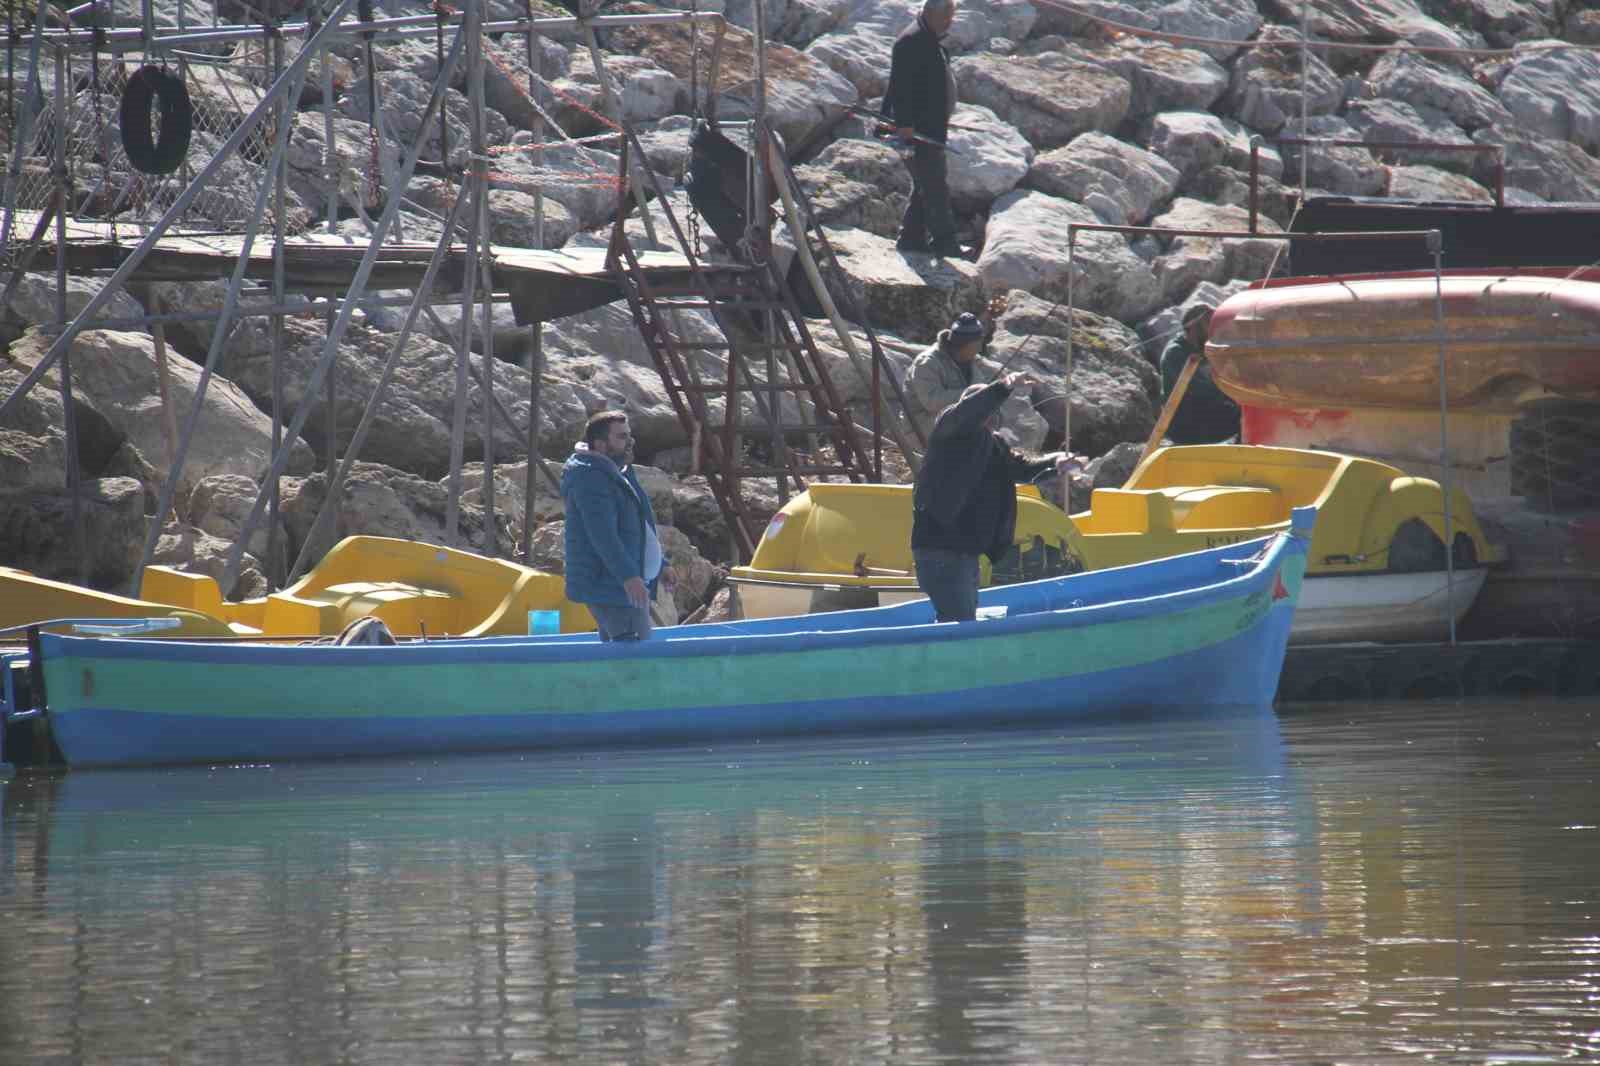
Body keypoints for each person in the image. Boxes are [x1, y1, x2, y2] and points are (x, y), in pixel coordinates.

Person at [912, 375, 1077, 622]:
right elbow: (969, 411)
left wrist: (1057, 464)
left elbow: (1022, 468)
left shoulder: (993, 443)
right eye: (985, 410)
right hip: (940, 551)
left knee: (960, 617)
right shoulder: (949, 431)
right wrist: (1003, 386)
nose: (989, 418)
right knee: (958, 621)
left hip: (966, 551)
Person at [561, 410, 666, 642]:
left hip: (621, 585)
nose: (629, 442)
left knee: (621, 650)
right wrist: (629, 577)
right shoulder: (591, 478)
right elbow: (602, 535)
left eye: (629, 435)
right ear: (600, 444)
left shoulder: (618, 470)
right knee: (635, 655)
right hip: (611, 587)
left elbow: (640, 525)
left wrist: (661, 564)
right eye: (621, 437)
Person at [884, 0, 961, 256]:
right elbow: (900, 88)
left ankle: (911, 237)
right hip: (918, 129)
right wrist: (904, 124)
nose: (950, 22)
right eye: (946, 17)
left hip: (932, 127)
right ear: (931, 14)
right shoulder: (910, 41)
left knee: (925, 182)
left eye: (952, 17)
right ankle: (945, 242)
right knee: (935, 184)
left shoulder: (929, 37)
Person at [1159, 304, 1240, 444]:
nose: (1213, 330)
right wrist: (1236, 395)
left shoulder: (1203, 349)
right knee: (1244, 415)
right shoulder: (1176, 352)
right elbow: (1201, 389)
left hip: (1205, 414)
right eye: (1209, 323)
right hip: (1187, 425)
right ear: (1194, 327)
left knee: (1252, 413)